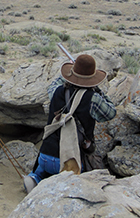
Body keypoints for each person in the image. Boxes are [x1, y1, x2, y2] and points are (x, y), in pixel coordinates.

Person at [23, 54, 116, 194]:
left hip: (46, 155)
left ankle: (36, 178)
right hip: (72, 160)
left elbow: (54, 83)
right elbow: (111, 112)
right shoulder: (93, 99)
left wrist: (69, 74)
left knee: (42, 170)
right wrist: (97, 89)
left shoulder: (57, 91)